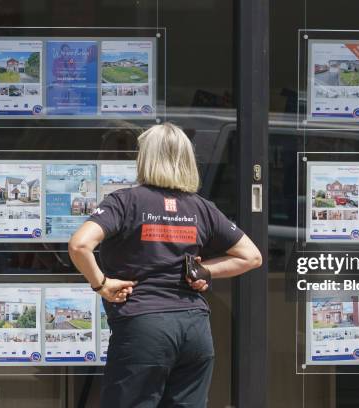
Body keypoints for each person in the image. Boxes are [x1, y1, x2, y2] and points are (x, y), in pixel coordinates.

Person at [68, 123, 262, 407]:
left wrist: (102, 284)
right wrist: (206, 270)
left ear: (145, 157)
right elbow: (251, 256)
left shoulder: (124, 202)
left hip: (143, 326)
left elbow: (79, 245)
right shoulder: (201, 207)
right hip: (194, 329)